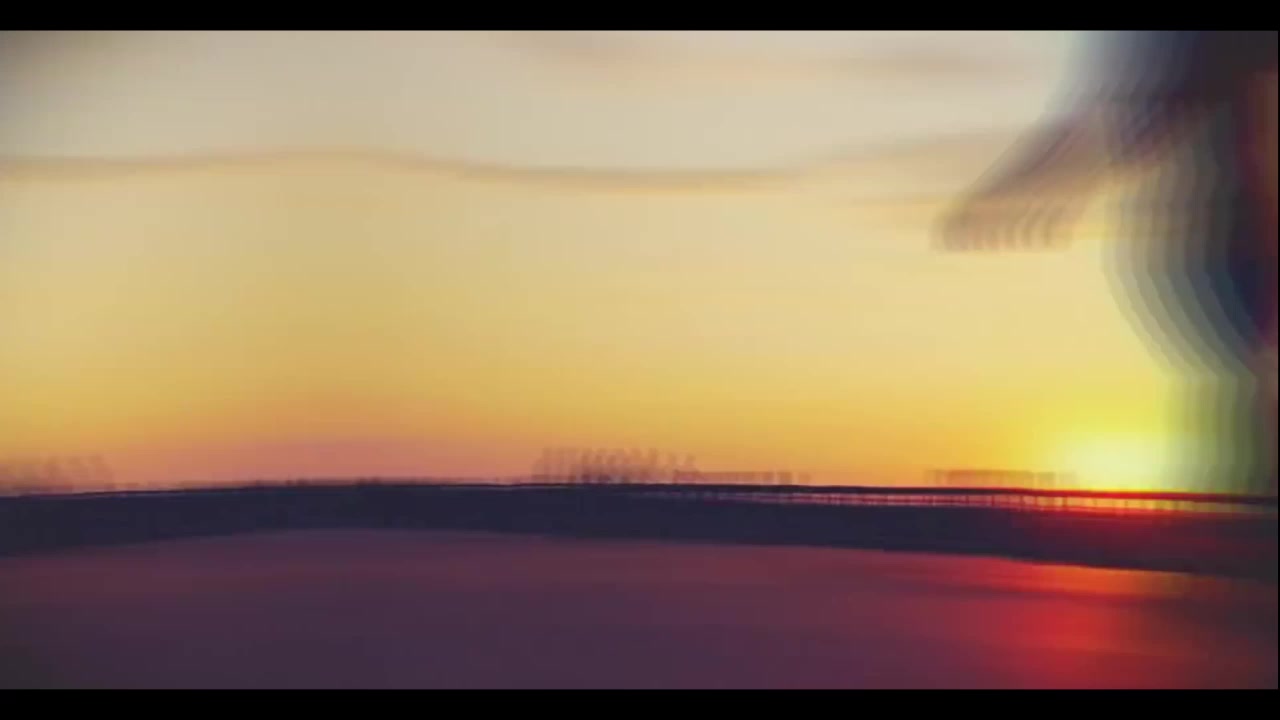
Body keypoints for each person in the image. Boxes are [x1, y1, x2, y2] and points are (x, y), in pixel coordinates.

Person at [940, 31, 1277, 496]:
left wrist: (1040, 181)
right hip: (1216, 228)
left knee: (1239, 382)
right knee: (1239, 381)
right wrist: (1036, 181)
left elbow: (1164, 106)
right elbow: (1134, 112)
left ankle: (1245, 503)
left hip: (1229, 227)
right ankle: (1245, 501)